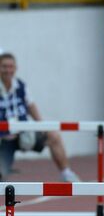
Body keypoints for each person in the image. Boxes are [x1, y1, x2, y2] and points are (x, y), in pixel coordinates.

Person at [0, 53, 81, 182]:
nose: (8, 70)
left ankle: (66, 173)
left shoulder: (20, 85)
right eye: (4, 66)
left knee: (53, 136)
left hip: (23, 133)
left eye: (11, 66)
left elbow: (31, 105)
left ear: (15, 68)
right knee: (1, 175)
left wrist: (41, 125)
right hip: (3, 139)